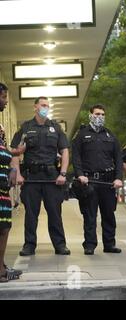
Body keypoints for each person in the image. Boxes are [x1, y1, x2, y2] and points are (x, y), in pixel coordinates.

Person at [10, 96, 70, 256]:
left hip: (51, 177)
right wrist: (17, 174)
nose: (46, 108)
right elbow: (15, 152)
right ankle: (29, 245)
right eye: (43, 105)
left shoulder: (55, 128)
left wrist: (63, 173)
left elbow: (65, 151)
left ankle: (60, 245)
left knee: (55, 213)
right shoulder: (25, 127)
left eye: (47, 106)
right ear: (35, 107)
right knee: (31, 214)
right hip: (31, 178)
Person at [71, 104, 123, 255]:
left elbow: (118, 159)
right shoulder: (81, 135)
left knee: (109, 215)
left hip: (108, 182)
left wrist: (118, 178)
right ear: (90, 115)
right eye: (97, 114)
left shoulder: (110, 135)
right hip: (89, 181)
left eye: (102, 114)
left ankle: (109, 244)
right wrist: (79, 174)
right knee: (90, 215)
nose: (100, 117)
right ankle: (90, 245)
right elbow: (76, 157)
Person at [0, 83, 23, 281]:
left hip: (3, 187)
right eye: (4, 97)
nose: (6, 101)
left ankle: (1, 268)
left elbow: (3, 151)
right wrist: (13, 153)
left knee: (4, 227)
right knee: (2, 228)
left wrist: (13, 158)